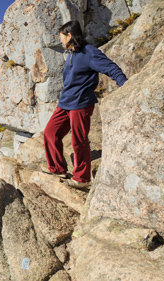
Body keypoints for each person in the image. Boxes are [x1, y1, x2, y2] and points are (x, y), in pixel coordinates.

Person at [42, 20, 127, 189]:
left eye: (61, 37)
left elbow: (111, 68)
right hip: (65, 103)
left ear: (70, 35)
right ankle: (58, 168)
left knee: (79, 141)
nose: (60, 40)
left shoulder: (90, 53)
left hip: (81, 103)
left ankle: (82, 179)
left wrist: (127, 86)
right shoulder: (71, 54)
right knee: (50, 133)